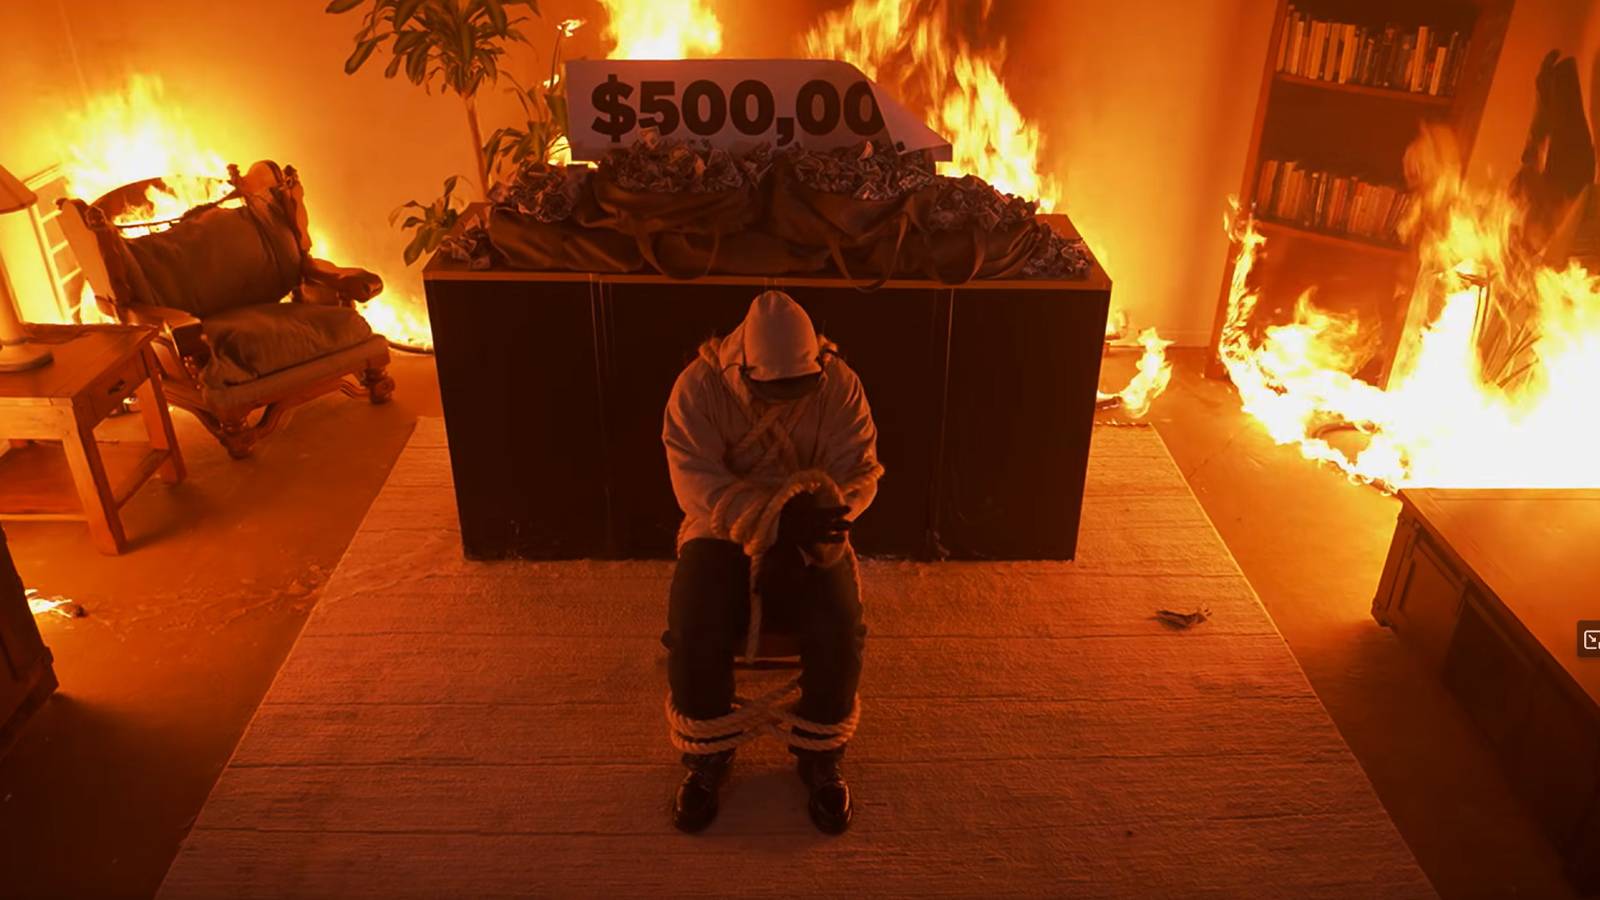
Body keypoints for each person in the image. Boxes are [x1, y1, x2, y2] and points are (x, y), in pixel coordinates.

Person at [661, 289, 883, 835]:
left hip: (812, 520)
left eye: (796, 390)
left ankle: (820, 754)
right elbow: (694, 480)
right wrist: (772, 521)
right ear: (744, 368)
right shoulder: (699, 387)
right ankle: (708, 752)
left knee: (841, 624)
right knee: (694, 622)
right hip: (721, 523)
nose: (784, 401)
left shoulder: (839, 385)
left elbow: (859, 466)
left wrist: (827, 511)